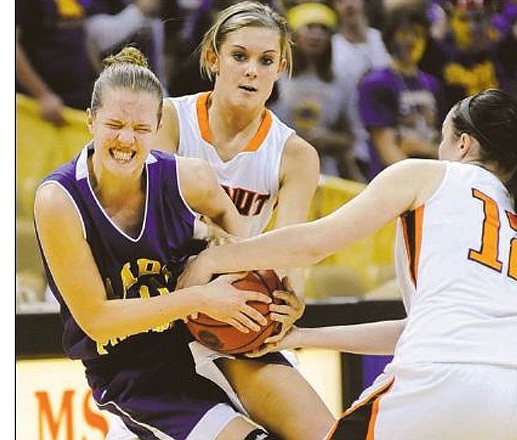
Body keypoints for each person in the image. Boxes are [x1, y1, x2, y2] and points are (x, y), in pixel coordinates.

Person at [181, 89, 517, 439]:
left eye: (442, 140)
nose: (438, 150)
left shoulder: (428, 175)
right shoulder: (515, 223)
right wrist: (302, 338)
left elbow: (315, 243)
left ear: (463, 144)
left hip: (443, 384)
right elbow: (420, 329)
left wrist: (217, 256)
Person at [34, 46, 289, 439]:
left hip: (207, 337)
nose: (125, 139)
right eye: (114, 124)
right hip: (134, 369)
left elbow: (247, 248)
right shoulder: (59, 200)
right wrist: (201, 299)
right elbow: (98, 321)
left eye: (140, 129)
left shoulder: (191, 178)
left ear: (157, 129)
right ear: (90, 121)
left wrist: (279, 296)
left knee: (320, 431)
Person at [154, 2, 335, 439]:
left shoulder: (295, 155)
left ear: (281, 68)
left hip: (235, 312)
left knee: (324, 431)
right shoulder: (170, 118)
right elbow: (156, 221)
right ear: (214, 59)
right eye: (239, 56)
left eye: (266, 60)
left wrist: (293, 296)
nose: (252, 70)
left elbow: (292, 250)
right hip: (161, 306)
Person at [270, 2, 363, 181]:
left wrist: (329, 139)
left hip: (324, 171)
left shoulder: (343, 80)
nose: (317, 34)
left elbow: (353, 137)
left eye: (323, 29)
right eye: (310, 27)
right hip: (275, 166)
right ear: (293, 34)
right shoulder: (274, 72)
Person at [417, 0, 517, 117]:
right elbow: (396, 8)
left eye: (479, 19)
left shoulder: (504, 53)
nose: (472, 27)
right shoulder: (438, 55)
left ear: (490, 22)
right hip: (454, 140)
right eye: (463, 19)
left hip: (498, 139)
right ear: (451, 23)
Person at [358, 4, 442, 179]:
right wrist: (419, 183)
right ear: (390, 37)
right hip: (391, 180)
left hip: (430, 177)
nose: (411, 40)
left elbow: (442, 141)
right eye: (404, 33)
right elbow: (386, 149)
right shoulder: (376, 83)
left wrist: (422, 148)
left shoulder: (432, 83)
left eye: (418, 34)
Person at [331, 0, 392, 180]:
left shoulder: (381, 39)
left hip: (388, 132)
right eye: (341, 1)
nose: (349, 5)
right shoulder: (333, 48)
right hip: (357, 140)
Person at [16, 0, 96, 125]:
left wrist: (100, 79)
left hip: (80, 95)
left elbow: (81, 37)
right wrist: (43, 96)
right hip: (40, 106)